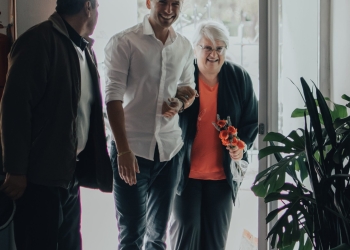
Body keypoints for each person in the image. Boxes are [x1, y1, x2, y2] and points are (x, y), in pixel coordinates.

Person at [0, 0, 113, 249]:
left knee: (70, 243)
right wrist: (16, 170)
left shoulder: (84, 48)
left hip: (68, 173)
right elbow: (15, 109)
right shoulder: (38, 41)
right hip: (38, 176)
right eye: (97, 7)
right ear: (88, 7)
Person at [104, 0, 196, 249]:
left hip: (169, 152)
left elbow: (188, 89)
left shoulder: (184, 46)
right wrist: (122, 150)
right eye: (162, 2)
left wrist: (180, 103)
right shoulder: (125, 42)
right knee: (132, 233)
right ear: (148, 2)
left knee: (157, 236)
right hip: (131, 151)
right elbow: (112, 99)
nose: (168, 10)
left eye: (175, 3)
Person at [169, 20, 259, 250]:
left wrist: (242, 146)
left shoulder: (239, 78)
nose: (213, 54)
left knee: (215, 244)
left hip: (221, 179)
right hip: (184, 177)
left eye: (220, 48)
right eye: (207, 47)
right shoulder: (182, 76)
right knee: (184, 238)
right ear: (195, 48)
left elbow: (251, 120)